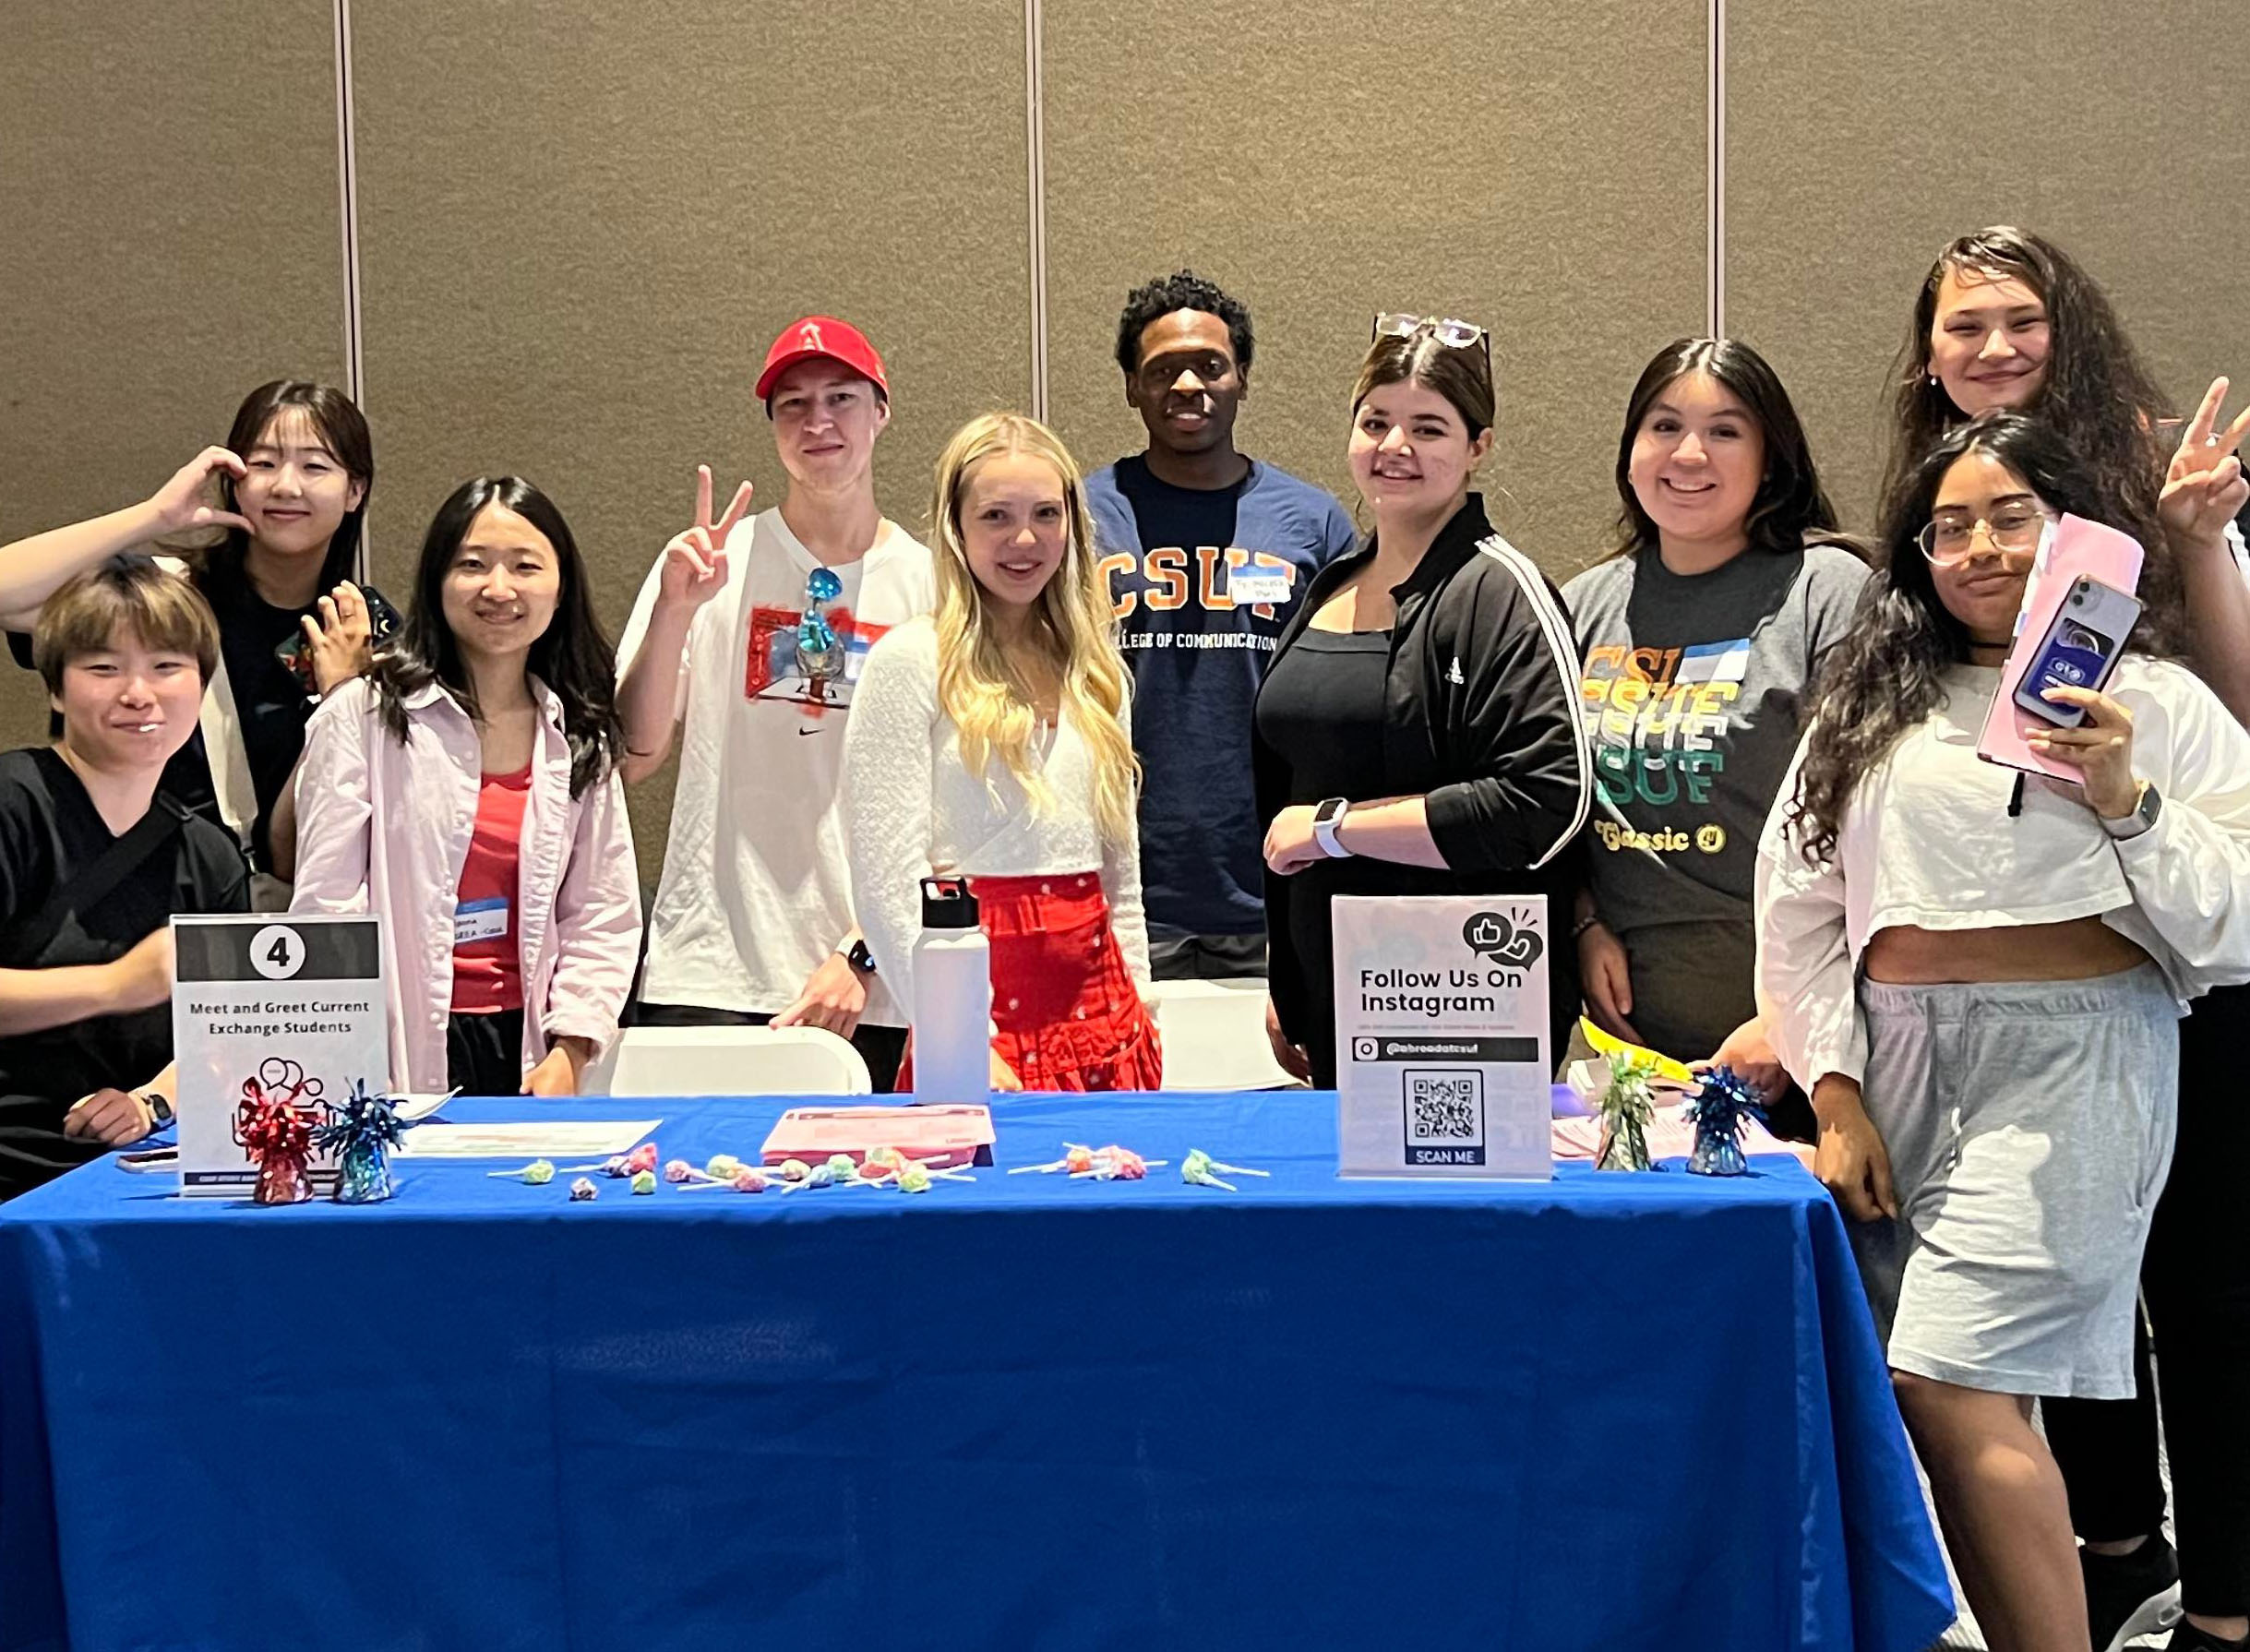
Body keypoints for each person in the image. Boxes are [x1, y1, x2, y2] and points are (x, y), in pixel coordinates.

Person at [1755, 412, 2250, 1652]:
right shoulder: (1871, 706)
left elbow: (2233, 923)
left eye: (2010, 515)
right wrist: (1834, 1090)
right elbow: (1797, 903)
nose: (1977, 545)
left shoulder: (2155, 698)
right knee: (1938, 1403)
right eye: (1947, 525)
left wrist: (2125, 799)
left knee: (1948, 1379)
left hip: (2078, 1058)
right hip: (1899, 1057)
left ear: (2073, 531)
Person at [1890, 225, 2250, 1652]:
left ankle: (2222, 1607)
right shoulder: (1935, 508)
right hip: (2013, 988)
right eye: (1961, 324)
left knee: (2205, 1284)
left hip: (2177, 936)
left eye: (2018, 319)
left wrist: (2198, 540)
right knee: (2066, 1286)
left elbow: (2236, 704)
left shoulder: (2161, 473)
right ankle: (2113, 1552)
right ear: (1925, 351)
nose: (1989, 347)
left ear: (2068, 327)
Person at [1252, 315, 1590, 1088]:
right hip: (1340, 999)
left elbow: (1543, 804)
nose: (1394, 446)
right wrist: (1291, 971)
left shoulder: (1502, 591)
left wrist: (1336, 832)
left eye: (1428, 427)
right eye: (1376, 421)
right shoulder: (1331, 583)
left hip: (1460, 999)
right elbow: (1293, 788)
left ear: (1479, 447)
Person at [616, 317, 935, 1090]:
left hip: (875, 984)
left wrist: (864, 952)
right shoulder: (705, 564)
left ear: (881, 411)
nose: (818, 422)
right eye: (793, 404)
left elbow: (951, 803)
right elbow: (633, 754)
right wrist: (675, 611)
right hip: (714, 970)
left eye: (841, 398)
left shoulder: (931, 583)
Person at [1563, 338, 1865, 1136]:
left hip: (1799, 1058)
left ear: (1772, 459)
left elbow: (1871, 827)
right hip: (1624, 1058)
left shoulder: (1830, 590)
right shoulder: (1581, 604)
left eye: (1726, 431)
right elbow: (1549, 804)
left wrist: (1789, 1019)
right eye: (1664, 426)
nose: (1688, 453)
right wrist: (1583, 922)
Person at [291, 478, 640, 1097]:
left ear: (560, 589)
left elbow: (601, 914)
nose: (498, 588)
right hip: (394, 1042)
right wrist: (347, 1054)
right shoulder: (363, 716)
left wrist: (573, 1049)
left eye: (525, 566)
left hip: (535, 1046)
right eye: (472, 565)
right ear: (436, 582)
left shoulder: (579, 734)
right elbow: (327, 907)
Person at [844, 413, 1159, 1092]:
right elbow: (884, 885)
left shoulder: (1097, 672)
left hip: (1108, 1025)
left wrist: (1143, 1002)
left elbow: (1119, 879)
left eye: (1047, 513)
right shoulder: (911, 662)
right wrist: (952, 1032)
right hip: (973, 1018)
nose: (1025, 539)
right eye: (996, 516)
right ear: (955, 529)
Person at [0, 381, 393, 905]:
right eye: (265, 463)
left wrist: (345, 696)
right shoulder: (167, 596)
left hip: (291, 917)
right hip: (142, 898)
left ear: (355, 491)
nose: (286, 486)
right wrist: (153, 517)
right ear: (233, 480)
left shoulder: (363, 628)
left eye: (316, 467)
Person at [1084, 270, 1357, 978]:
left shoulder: (1314, 522)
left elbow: (1350, 706)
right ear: (1131, 388)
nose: (1187, 386)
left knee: (1277, 1090)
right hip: (1122, 895)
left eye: (1210, 366)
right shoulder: (1079, 515)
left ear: (1242, 379)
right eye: (1162, 370)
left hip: (1277, 884)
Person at [0, 560, 249, 1199]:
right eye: (104, 669)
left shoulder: (211, 854)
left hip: (151, 1175)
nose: (139, 693)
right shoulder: (14, 803)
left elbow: (227, 1030)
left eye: (167, 667)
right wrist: (115, 985)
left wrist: (150, 1103)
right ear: (56, 689)